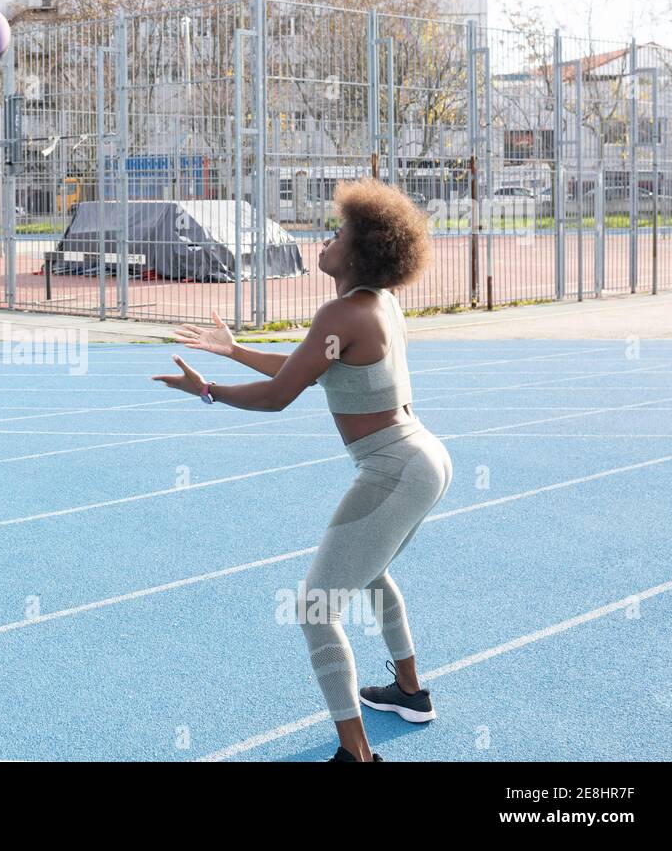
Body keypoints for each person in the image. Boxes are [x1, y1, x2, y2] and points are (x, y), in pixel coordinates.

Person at [153, 178, 452, 762]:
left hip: (393, 468)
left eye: (339, 233)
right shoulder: (376, 305)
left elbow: (278, 395)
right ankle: (411, 693)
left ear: (362, 250)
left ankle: (357, 755)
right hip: (424, 457)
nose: (327, 237)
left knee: (316, 607)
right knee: (370, 574)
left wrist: (207, 390)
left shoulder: (343, 311)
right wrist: (234, 350)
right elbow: (308, 365)